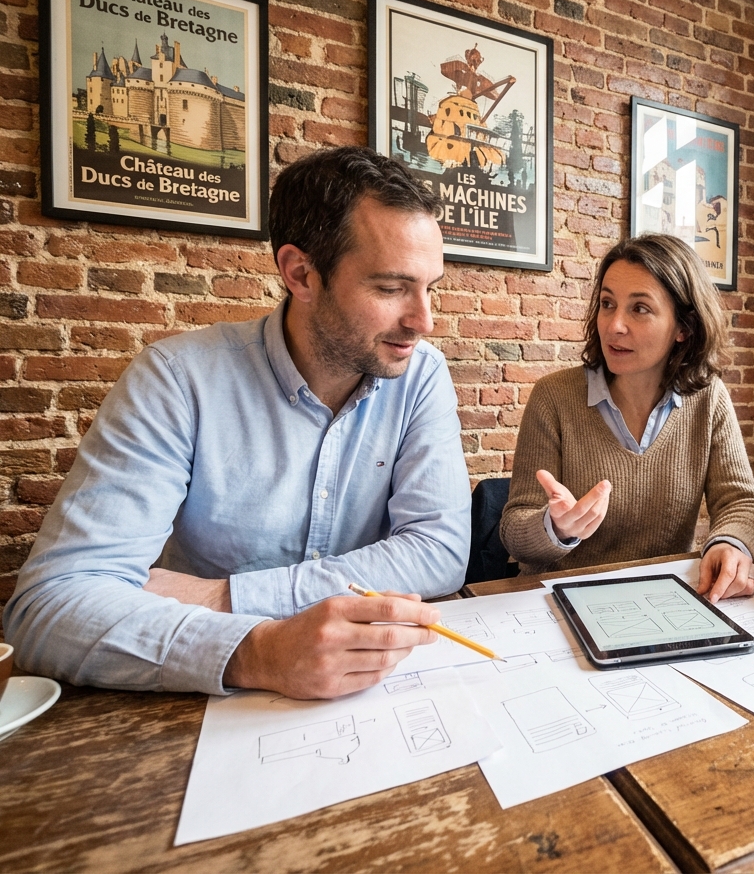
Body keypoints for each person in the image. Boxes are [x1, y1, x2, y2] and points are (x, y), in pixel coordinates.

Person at [3, 146, 472, 700]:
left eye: (429, 287)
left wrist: (228, 597)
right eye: (391, 288)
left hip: (369, 696)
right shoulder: (178, 380)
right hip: (194, 710)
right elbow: (48, 606)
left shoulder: (419, 375)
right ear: (300, 273)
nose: (424, 320)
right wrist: (261, 650)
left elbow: (439, 550)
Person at [500, 233, 754, 601]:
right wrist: (555, 527)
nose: (614, 325)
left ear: (683, 328)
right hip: (559, 600)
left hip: (662, 599)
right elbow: (514, 528)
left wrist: (731, 543)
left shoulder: (708, 399)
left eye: (639, 309)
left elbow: (742, 502)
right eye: (607, 304)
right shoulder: (554, 397)